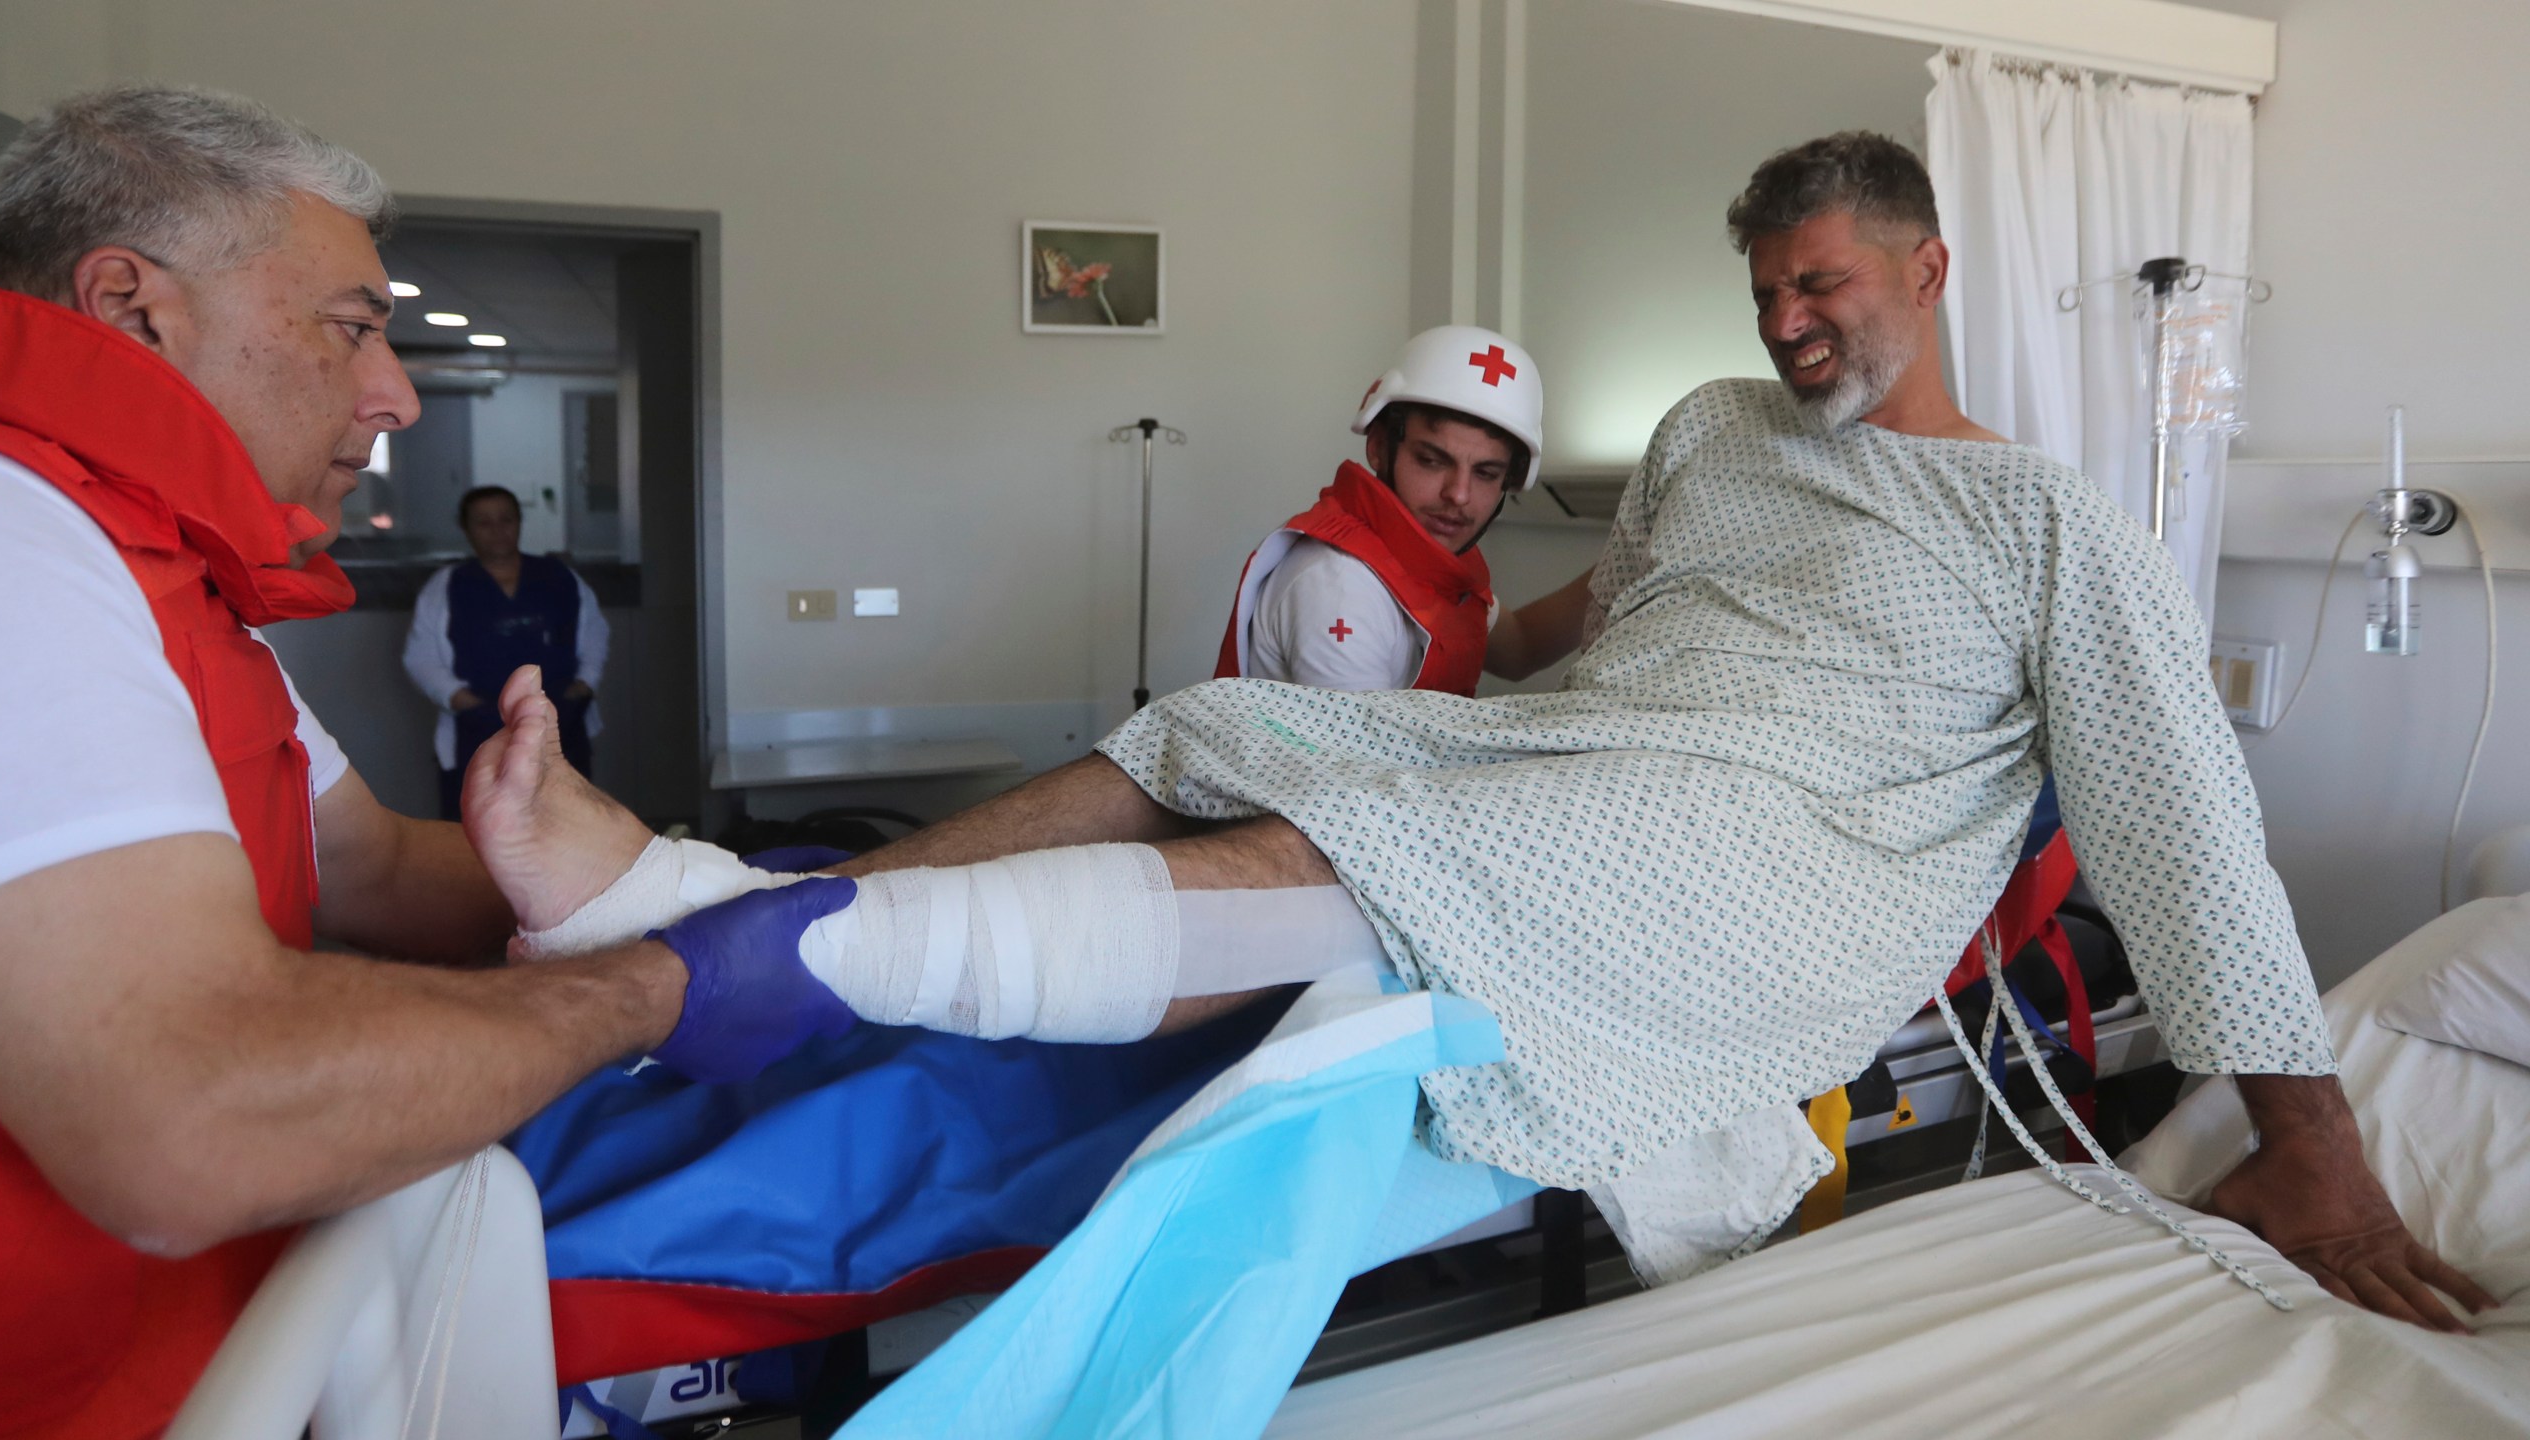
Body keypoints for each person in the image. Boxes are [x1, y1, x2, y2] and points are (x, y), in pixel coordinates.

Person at [472, 131, 2491, 1333]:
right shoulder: (1707, 434)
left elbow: (2175, 830)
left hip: (1792, 840)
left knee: (1411, 843)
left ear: (1924, 271)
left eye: (1822, 290)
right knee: (1231, 717)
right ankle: (727, 895)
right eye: (1768, 297)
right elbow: (1597, 619)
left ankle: (735, 962)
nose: (1789, 330)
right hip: (1598, 747)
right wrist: (1411, 706)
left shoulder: (2053, 522)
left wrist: (2304, 1146)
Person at [0, 86, 714, 1439]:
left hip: (203, 1333)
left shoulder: (170, 579)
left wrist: (716, 891)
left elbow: (363, 864)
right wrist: (660, 983)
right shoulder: (0, 537)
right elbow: (186, 1107)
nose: (398, 395)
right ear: (134, 307)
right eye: (354, 329)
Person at [1213, 325, 1591, 694]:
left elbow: (1521, 648)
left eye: (1486, 473)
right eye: (1431, 460)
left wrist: (1626, 564)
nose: (1458, 494)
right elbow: (1360, 756)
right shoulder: (1340, 585)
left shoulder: (1426, 563)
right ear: (1378, 447)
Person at [406, 483, 609, 819]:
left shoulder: (559, 578)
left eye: (506, 520)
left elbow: (596, 634)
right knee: (479, 830)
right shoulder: (447, 586)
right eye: (484, 522)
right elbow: (420, 657)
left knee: (563, 822)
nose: (497, 530)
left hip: (560, 724)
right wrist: (461, 700)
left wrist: (584, 686)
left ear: (519, 522)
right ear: (466, 528)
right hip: (477, 728)